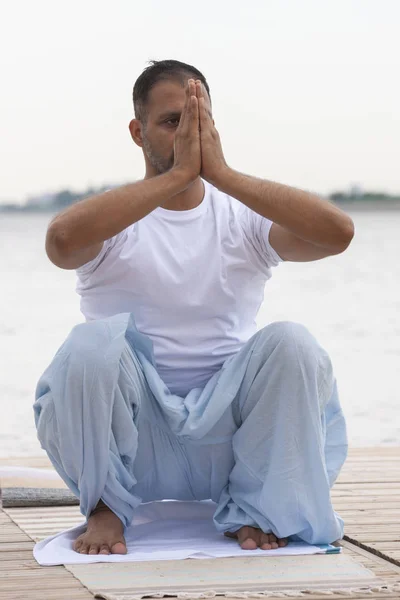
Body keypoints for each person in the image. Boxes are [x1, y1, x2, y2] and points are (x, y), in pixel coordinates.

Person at [34, 59, 354, 556]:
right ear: (138, 133)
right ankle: (106, 508)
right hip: (132, 443)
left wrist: (220, 174)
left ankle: (259, 509)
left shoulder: (243, 219)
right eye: (171, 122)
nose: (187, 134)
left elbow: (338, 234)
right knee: (89, 345)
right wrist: (179, 174)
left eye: (196, 120)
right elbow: (60, 242)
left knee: (294, 342)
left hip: (228, 442)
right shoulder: (114, 220)